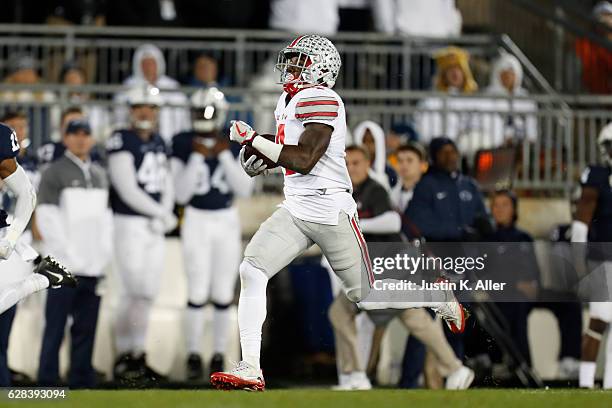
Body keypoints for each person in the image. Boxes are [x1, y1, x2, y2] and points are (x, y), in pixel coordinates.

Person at [209, 35, 464, 391]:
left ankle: (436, 297)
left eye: (299, 61)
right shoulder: (290, 98)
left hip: (330, 208)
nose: (290, 67)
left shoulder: (323, 98)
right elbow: (288, 150)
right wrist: (261, 155)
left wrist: (255, 140)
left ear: (320, 67)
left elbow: (306, 158)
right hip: (297, 206)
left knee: (367, 294)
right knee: (251, 269)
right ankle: (250, 366)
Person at [170, 87, 253, 380]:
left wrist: (224, 156)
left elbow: (245, 188)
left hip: (226, 218)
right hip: (195, 217)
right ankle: (193, 354)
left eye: (208, 112)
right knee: (196, 291)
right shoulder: (182, 142)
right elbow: (180, 193)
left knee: (221, 292)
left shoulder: (231, 142)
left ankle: (219, 353)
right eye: (199, 112)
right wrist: (196, 157)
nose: (203, 118)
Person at [107, 85, 177, 385]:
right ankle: (123, 356)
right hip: (129, 223)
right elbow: (126, 187)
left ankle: (138, 353)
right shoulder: (121, 138)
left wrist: (165, 210)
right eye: (139, 107)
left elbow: (167, 180)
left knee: (147, 292)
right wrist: (160, 213)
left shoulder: (160, 141)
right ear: (130, 110)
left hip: (152, 225)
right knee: (132, 290)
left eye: (150, 107)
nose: (145, 112)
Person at [36, 119, 113, 388]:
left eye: (85, 134)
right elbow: (47, 218)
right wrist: (66, 255)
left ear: (91, 139)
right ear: (65, 138)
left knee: (85, 328)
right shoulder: (53, 172)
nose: (81, 139)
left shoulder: (100, 174)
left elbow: (106, 220)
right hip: (61, 264)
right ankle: (47, 381)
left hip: (92, 265)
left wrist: (102, 257)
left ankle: (81, 380)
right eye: (75, 134)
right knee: (55, 327)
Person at [574, 122, 612, 389]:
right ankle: (585, 384)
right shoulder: (597, 175)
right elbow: (582, 218)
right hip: (602, 255)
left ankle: (609, 386)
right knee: (599, 319)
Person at [115, 44, 189, 142]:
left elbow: (183, 111)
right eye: (144, 64)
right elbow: (119, 112)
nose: (148, 67)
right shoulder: (129, 85)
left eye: (152, 63)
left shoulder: (171, 85)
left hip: (170, 137)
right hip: (136, 138)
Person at [485, 53, 538, 144]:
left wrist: (531, 139)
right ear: (497, 75)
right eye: (505, 74)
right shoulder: (488, 95)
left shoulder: (525, 97)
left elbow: (531, 123)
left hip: (522, 143)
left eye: (512, 74)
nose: (508, 78)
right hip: (498, 144)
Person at [575, 1, 612, 94]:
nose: (606, 20)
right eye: (602, 16)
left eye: (609, 15)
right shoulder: (585, 43)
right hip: (592, 93)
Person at [352, 121, 398, 190]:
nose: (367, 145)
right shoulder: (349, 170)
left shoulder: (389, 172)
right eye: (364, 141)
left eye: (371, 141)